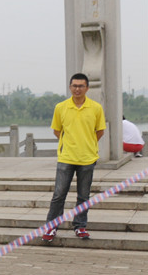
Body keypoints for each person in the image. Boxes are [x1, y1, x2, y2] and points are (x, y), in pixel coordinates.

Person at [42, 73, 106, 241]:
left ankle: (80, 226)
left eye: (81, 86)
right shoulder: (61, 107)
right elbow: (57, 130)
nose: (77, 89)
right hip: (66, 158)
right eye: (74, 86)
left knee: (83, 196)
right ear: (70, 87)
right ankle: (51, 228)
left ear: (87, 88)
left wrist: (87, 144)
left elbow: (100, 131)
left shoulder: (96, 108)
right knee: (58, 194)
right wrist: (69, 144)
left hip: (87, 158)